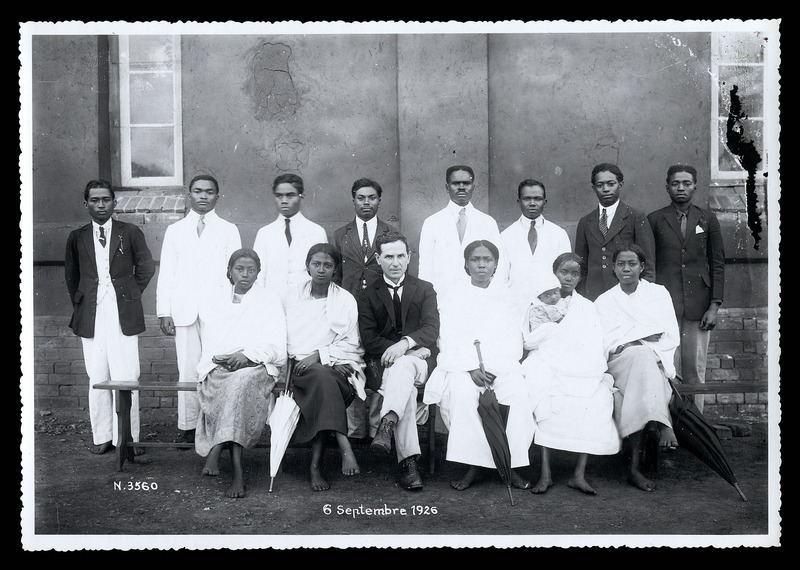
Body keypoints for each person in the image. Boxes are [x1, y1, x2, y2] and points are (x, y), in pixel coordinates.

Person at [424, 240, 534, 492]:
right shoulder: (453, 296)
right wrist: (470, 367)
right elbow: (447, 337)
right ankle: (473, 465)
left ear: (496, 264)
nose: (481, 264)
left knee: (517, 394)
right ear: (466, 264)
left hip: (502, 367)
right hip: (463, 367)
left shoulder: (508, 297)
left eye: (487, 259)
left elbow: (513, 338)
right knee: (462, 396)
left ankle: (511, 464)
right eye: (475, 259)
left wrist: (496, 368)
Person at [64, 179, 155, 455]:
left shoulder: (129, 232)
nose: (100, 205)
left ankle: (128, 437)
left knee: (127, 374)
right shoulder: (77, 237)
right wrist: (86, 300)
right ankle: (102, 436)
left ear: (114, 202)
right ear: (86, 204)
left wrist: (129, 293)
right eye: (94, 200)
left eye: (105, 199)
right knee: (97, 375)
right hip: (91, 312)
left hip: (123, 311)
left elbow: (146, 268)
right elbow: (72, 277)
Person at [522, 253, 621, 495]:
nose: (568, 278)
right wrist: (551, 334)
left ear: (580, 277)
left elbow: (594, 341)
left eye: (574, 274)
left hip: (580, 366)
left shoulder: (586, 306)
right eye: (563, 272)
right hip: (548, 361)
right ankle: (545, 474)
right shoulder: (537, 303)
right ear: (554, 273)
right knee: (546, 397)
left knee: (597, 399)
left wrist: (579, 356)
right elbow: (528, 340)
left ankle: (578, 474)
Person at [156, 174, 242, 446]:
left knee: (215, 367)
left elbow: (237, 272)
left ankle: (216, 423)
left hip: (217, 310)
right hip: (183, 309)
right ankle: (188, 424)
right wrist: (164, 311)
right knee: (187, 368)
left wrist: (235, 307)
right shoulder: (175, 230)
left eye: (209, 192)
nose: (203, 196)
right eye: (197, 191)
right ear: (188, 195)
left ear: (218, 196)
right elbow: (167, 272)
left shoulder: (228, 229)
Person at [195, 249, 287, 498]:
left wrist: (247, 356)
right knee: (233, 385)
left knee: (241, 384)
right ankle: (230, 460)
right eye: (239, 269)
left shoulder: (268, 299)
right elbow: (211, 342)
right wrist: (223, 358)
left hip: (255, 368)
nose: (245, 275)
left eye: (251, 270)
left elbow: (277, 346)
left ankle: (231, 464)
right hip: (221, 369)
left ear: (258, 272)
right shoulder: (216, 299)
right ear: (229, 271)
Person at [356, 231, 440, 490]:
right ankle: (408, 463)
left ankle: (387, 424)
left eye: (401, 256)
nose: (395, 262)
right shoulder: (368, 294)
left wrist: (405, 344)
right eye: (389, 256)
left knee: (404, 367)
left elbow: (431, 329)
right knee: (405, 387)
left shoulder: (424, 289)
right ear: (378, 259)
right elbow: (369, 339)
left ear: (409, 257)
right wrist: (406, 352)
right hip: (382, 365)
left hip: (420, 362)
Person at [594, 244, 680, 493]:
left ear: (642, 267)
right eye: (621, 264)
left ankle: (634, 468)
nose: (626, 269)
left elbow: (668, 334)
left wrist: (635, 340)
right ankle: (663, 424)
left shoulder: (658, 293)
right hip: (619, 361)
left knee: (642, 361)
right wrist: (632, 341)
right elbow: (603, 341)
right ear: (613, 268)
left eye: (632, 263)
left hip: (653, 358)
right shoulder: (604, 301)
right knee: (640, 355)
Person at [283, 243, 367, 491]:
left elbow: (353, 343)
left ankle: (316, 465)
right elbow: (287, 337)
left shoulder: (345, 299)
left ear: (335, 269)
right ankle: (343, 446)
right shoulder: (291, 296)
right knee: (323, 381)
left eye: (328, 265)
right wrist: (309, 357)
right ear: (307, 266)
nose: (321, 270)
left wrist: (322, 355)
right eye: (316, 264)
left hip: (335, 366)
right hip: (300, 369)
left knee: (325, 381)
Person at [648, 164, 725, 413]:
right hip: (665, 306)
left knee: (694, 367)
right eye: (675, 183)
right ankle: (669, 423)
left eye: (686, 183)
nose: (681, 188)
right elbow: (649, 263)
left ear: (695, 186)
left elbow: (717, 264)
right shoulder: (655, 219)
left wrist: (714, 305)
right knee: (665, 365)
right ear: (667, 186)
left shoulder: (707, 218)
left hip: (698, 306)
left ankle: (697, 424)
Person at [332, 177, 397, 439]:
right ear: (354, 201)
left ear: (379, 201)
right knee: (351, 363)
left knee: (377, 364)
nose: (366, 202)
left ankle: (375, 428)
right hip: (348, 308)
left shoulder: (389, 233)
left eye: (372, 198)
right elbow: (336, 276)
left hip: (380, 307)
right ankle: (354, 430)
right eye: (361, 198)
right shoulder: (341, 234)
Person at [418, 165, 505, 296]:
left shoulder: (488, 222)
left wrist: (493, 295)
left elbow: (499, 265)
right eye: (456, 183)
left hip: (480, 296)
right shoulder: (432, 222)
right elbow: (425, 267)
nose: (461, 187)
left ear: (473, 188)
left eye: (466, 183)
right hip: (443, 296)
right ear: (447, 187)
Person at [574, 163, 656, 301]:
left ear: (620, 185)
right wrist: (582, 296)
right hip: (594, 295)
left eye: (611, 184)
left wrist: (642, 296)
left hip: (627, 294)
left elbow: (647, 262)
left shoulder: (635, 217)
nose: (605, 189)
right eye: (600, 185)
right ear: (594, 188)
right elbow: (580, 265)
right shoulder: (586, 221)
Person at [253, 173, 327, 299]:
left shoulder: (316, 232)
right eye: (279, 196)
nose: (284, 201)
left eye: (290, 195)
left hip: (306, 303)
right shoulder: (264, 233)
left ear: (301, 196)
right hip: (272, 304)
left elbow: (323, 272)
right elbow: (259, 275)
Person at [501, 179, 572, 303]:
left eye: (538, 199)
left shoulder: (559, 234)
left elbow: (564, 273)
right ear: (519, 201)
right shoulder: (506, 235)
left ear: (545, 202)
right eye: (527, 198)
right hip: (515, 302)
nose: (532, 203)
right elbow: (502, 275)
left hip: (550, 303)